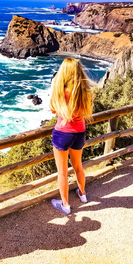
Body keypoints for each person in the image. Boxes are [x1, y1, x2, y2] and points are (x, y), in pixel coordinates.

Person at [49, 58, 93, 215]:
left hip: (62, 133)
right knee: (78, 166)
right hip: (79, 132)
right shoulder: (83, 91)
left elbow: (53, 109)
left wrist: (54, 85)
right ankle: (82, 195)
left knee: (62, 172)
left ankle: (65, 205)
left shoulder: (60, 90)